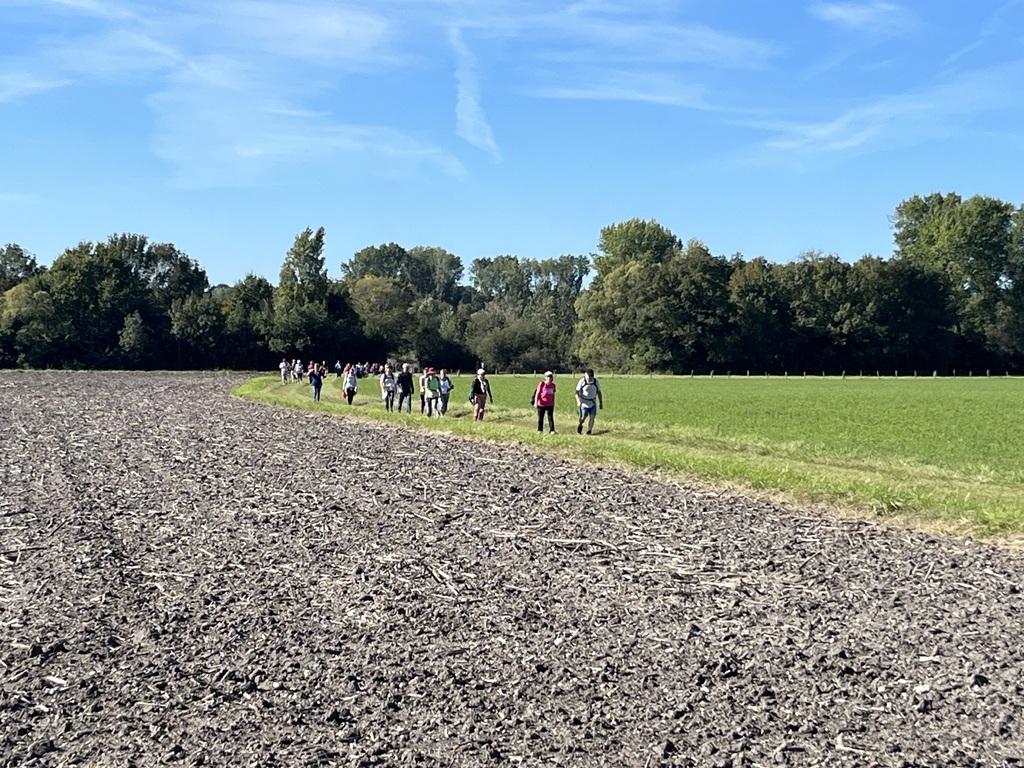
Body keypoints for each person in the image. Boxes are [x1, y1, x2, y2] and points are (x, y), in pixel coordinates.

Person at [575, 368, 603, 435]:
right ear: (585, 375)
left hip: (592, 402)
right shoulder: (582, 381)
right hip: (584, 402)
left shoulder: (595, 382)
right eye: (589, 376)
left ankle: (589, 431)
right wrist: (578, 400)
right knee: (583, 417)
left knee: (592, 417)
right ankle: (580, 425)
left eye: (591, 376)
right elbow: (576, 393)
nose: (590, 378)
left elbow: (599, 392)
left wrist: (600, 402)